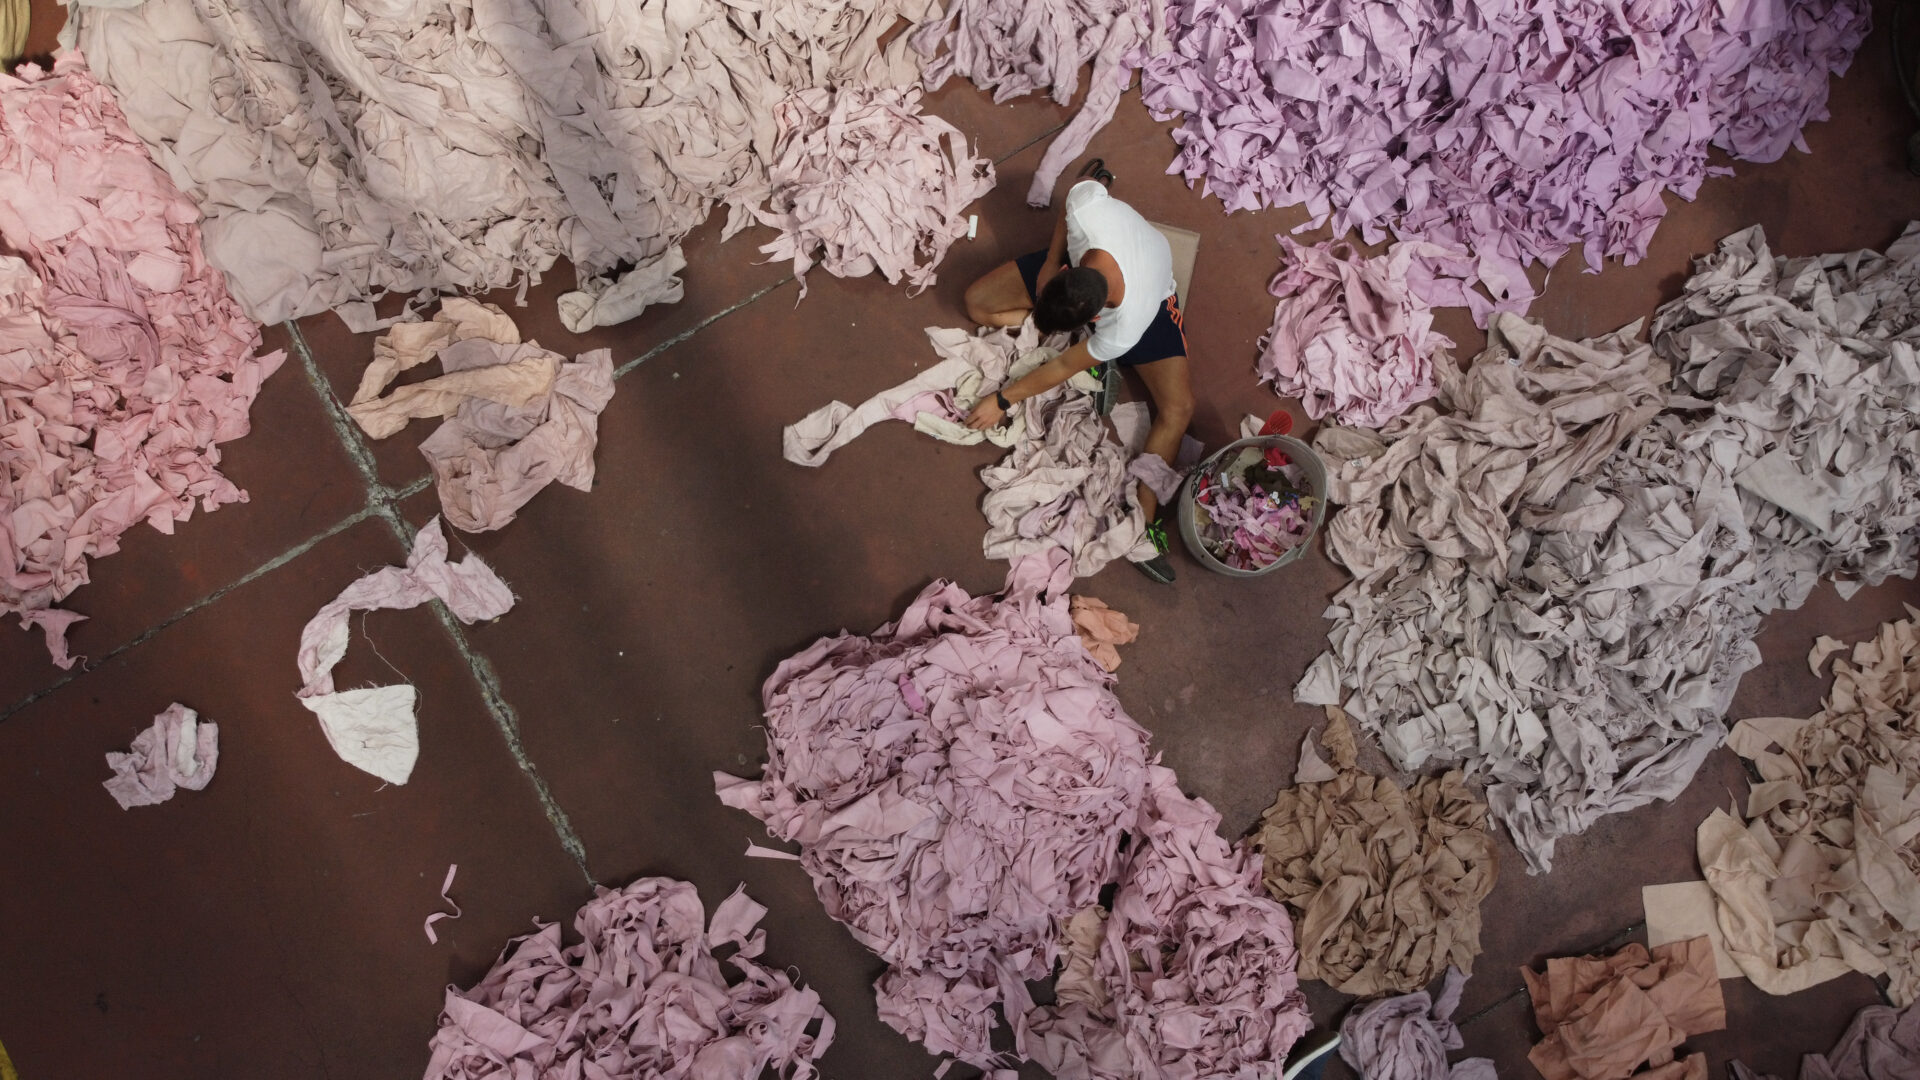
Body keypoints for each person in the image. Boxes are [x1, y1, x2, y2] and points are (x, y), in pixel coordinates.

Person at [960, 160, 1194, 584]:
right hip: (1084, 283)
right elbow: (1081, 189)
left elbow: (1065, 364)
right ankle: (1088, 347)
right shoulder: (1087, 210)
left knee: (1178, 410)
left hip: (1153, 298)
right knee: (978, 303)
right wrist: (1051, 261)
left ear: (1095, 318)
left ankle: (1143, 523)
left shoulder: (1128, 322)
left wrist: (1001, 399)